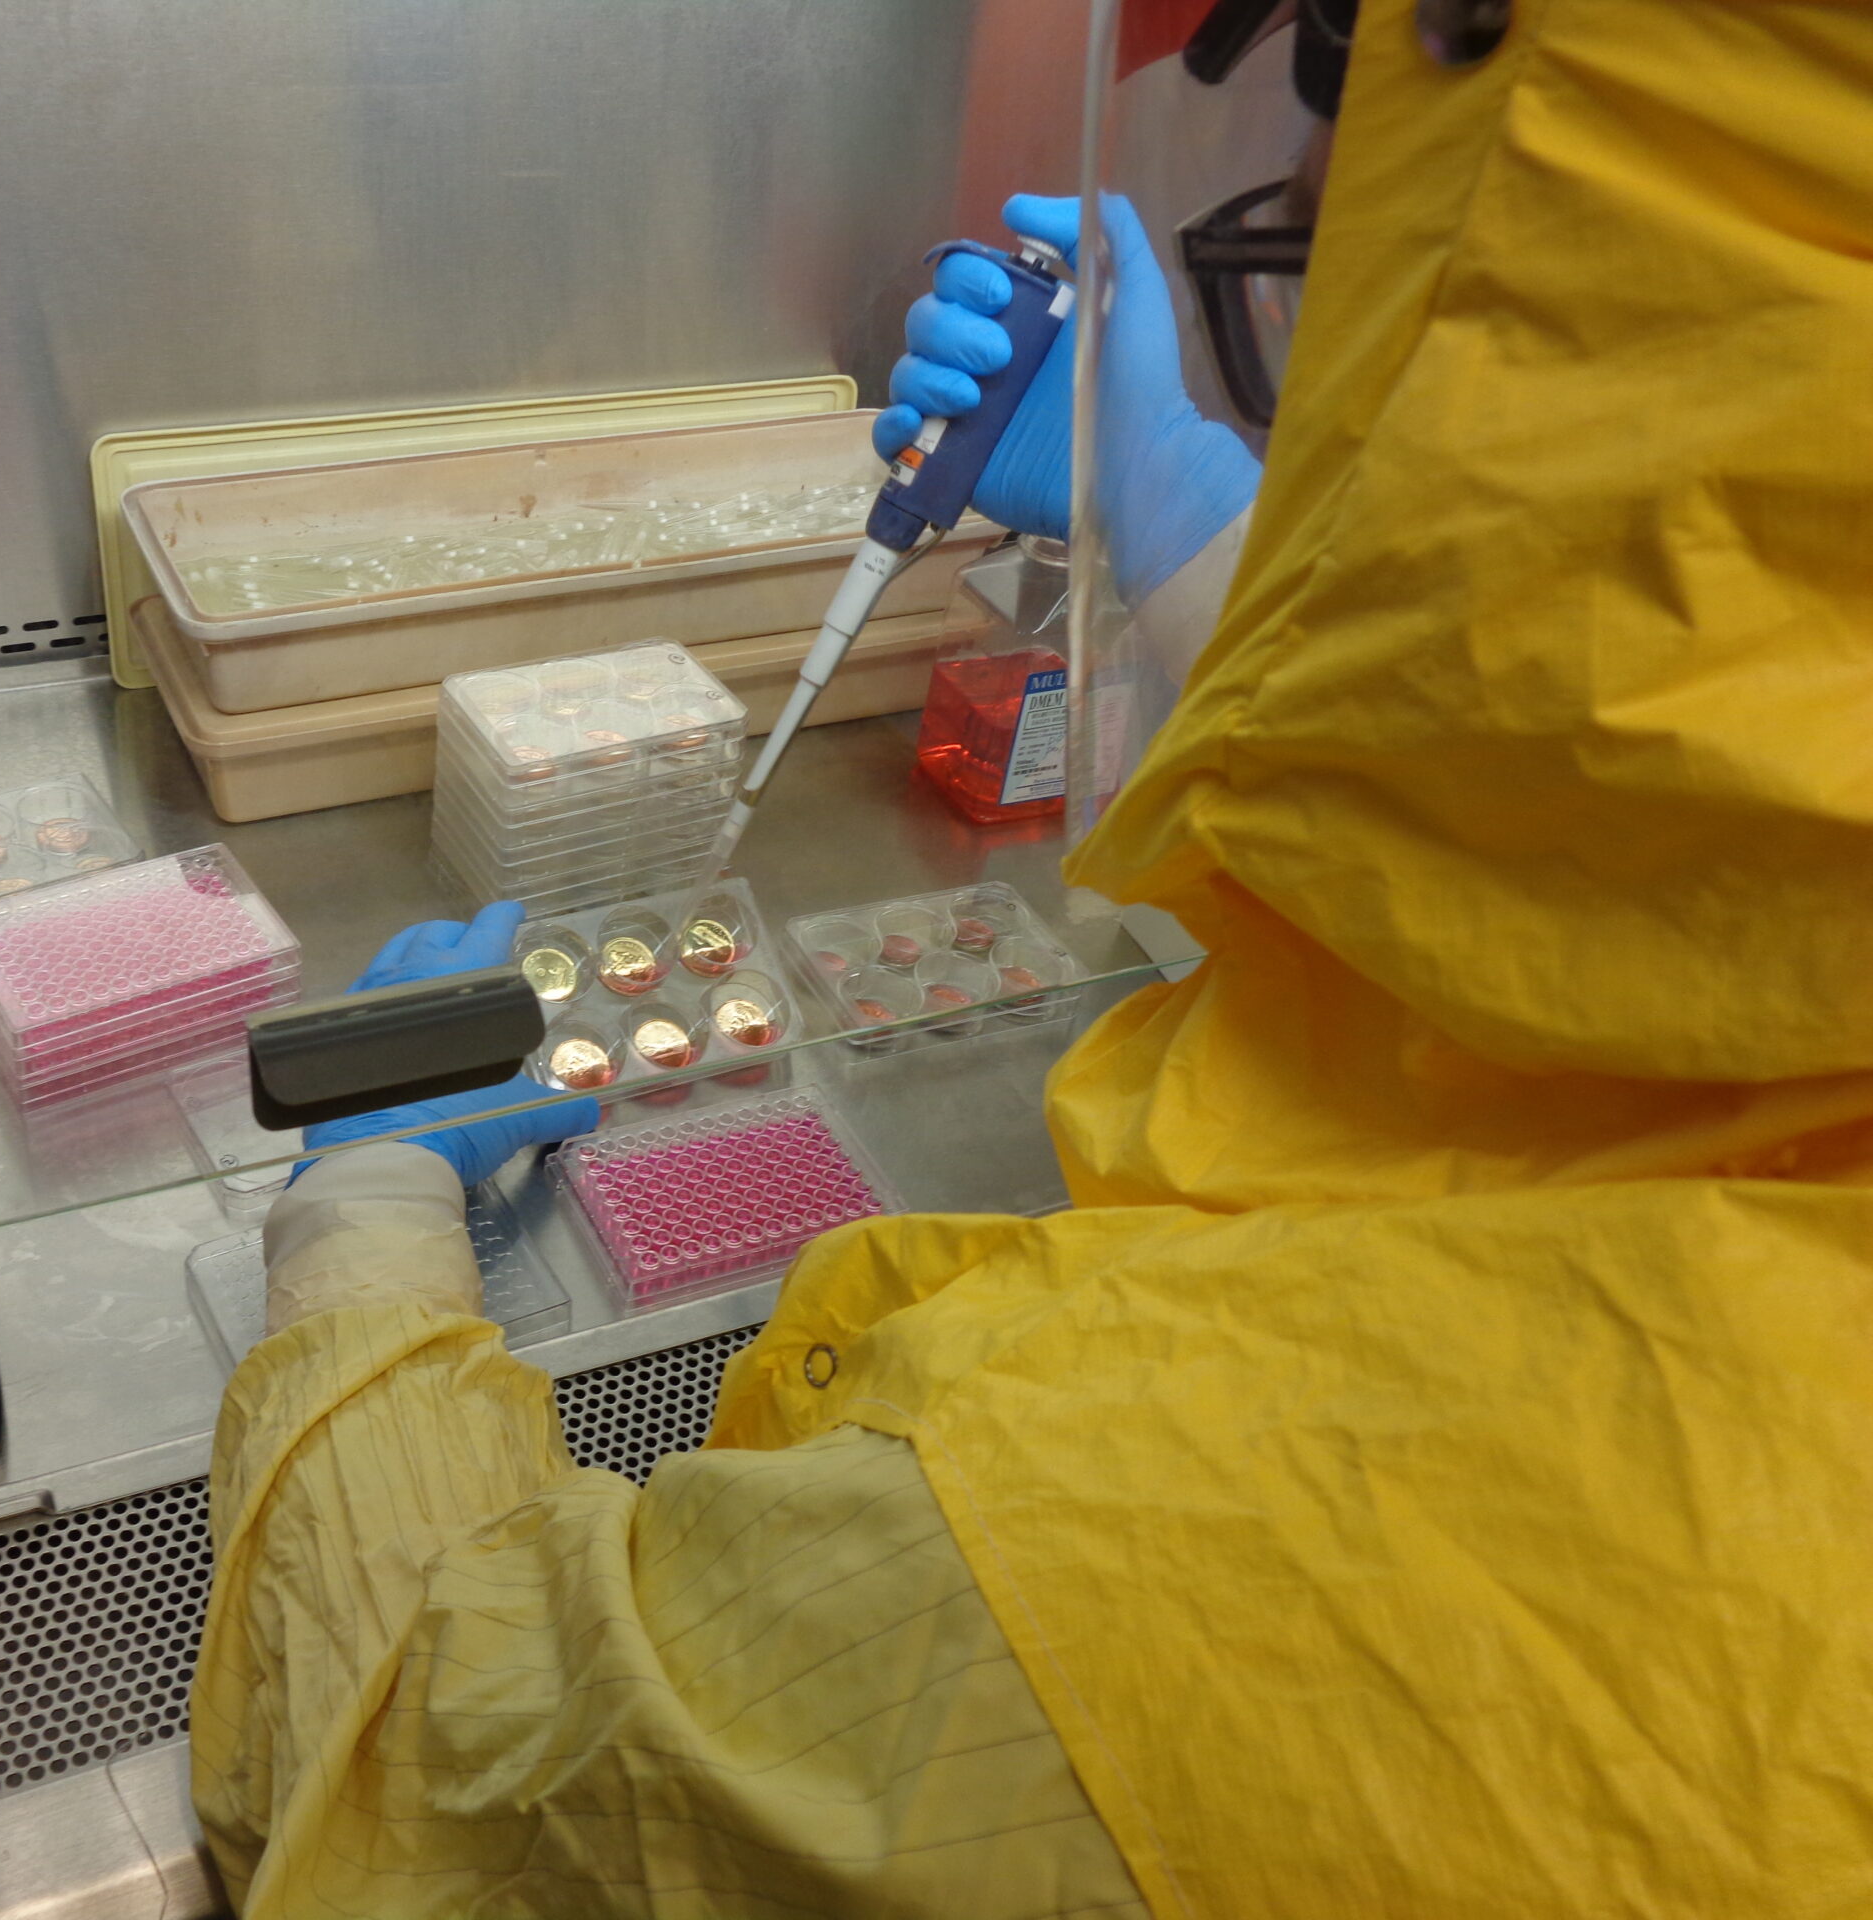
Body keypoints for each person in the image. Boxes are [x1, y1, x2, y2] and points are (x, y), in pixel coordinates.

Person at [191, 0, 1873, 1912]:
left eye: (1348, 277)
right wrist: (1182, 513)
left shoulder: (1126, 1571)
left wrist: (370, 1221)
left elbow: (408, 1793)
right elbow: (1664, 733)